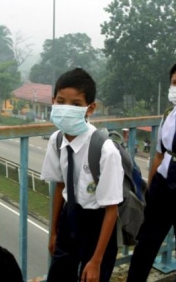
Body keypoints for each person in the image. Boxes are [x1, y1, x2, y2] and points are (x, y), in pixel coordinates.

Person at [41, 68, 124, 282]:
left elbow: (111, 209)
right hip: (69, 218)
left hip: (96, 224)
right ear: (53, 101)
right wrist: (54, 232)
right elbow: (60, 186)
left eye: (76, 104)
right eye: (61, 102)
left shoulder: (105, 150)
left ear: (90, 108)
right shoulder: (57, 140)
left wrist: (96, 261)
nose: (66, 109)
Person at [127, 58, 176, 282]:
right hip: (162, 188)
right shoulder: (170, 114)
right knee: (145, 244)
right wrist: (150, 191)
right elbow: (159, 155)